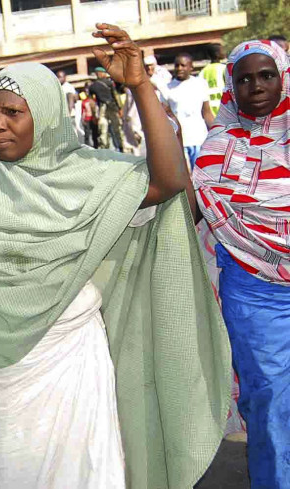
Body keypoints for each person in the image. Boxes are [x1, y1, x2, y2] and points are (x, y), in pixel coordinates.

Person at [0, 24, 231, 489]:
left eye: (12, 113)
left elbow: (168, 183)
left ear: (44, 116)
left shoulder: (88, 172)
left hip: (70, 364)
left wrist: (141, 86)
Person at [192, 39, 290, 489]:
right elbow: (191, 208)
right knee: (270, 403)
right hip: (255, 292)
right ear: (232, 86)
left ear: (283, 76)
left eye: (266, 75)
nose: (256, 86)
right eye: (245, 78)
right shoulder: (218, 146)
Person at [157, 53, 214, 169]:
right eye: (177, 65)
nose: (179, 68)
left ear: (191, 67)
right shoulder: (166, 88)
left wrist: (216, 134)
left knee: (202, 175)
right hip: (179, 142)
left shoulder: (200, 84)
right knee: (185, 178)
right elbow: (165, 117)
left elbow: (206, 113)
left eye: (183, 65)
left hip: (199, 138)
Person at [89, 66, 123, 151]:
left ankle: (105, 149)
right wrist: (120, 108)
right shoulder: (109, 83)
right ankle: (120, 146)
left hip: (102, 109)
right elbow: (116, 96)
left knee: (103, 130)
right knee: (117, 128)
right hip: (112, 107)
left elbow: (92, 103)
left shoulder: (92, 86)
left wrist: (94, 115)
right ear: (102, 73)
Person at [199, 44, 227, 116]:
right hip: (225, 109)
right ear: (217, 54)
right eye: (223, 51)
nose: (225, 52)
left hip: (210, 112)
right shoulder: (224, 69)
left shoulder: (203, 71)